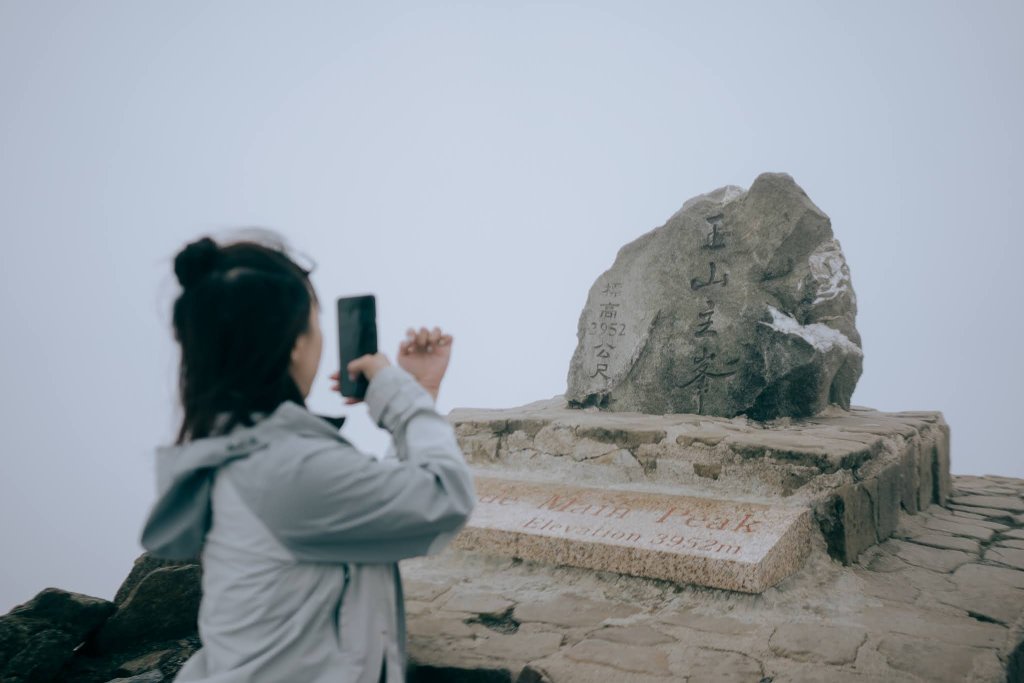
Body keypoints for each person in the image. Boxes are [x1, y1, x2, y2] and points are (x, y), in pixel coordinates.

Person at [139, 231, 476, 682]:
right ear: (294, 342)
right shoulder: (282, 467)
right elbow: (444, 496)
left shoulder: (240, 450)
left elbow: (375, 507)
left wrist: (420, 392)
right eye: (315, 322)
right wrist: (397, 393)